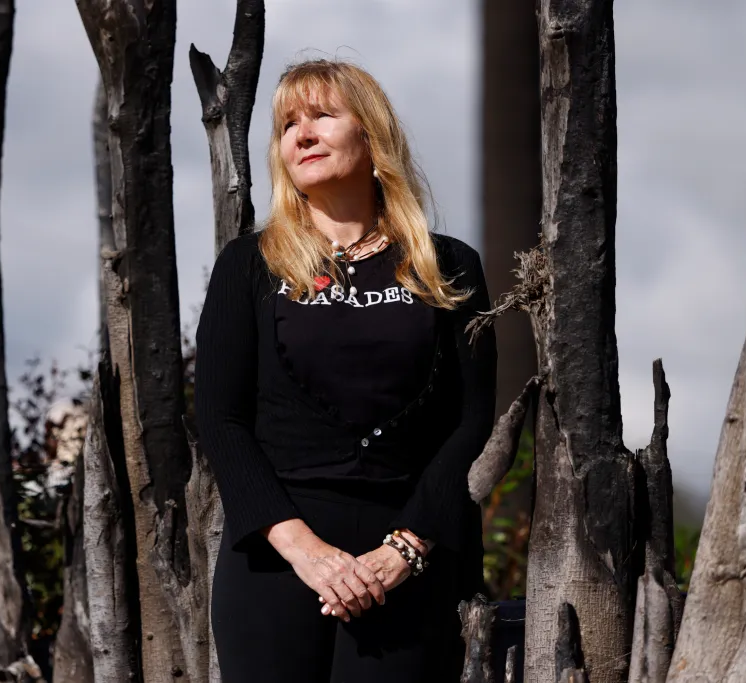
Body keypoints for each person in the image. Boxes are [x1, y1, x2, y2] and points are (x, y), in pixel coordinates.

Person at [194, 58, 497, 683]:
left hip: (409, 559)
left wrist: (404, 550)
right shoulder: (248, 266)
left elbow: (471, 422)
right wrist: (309, 554)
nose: (300, 135)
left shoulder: (449, 265)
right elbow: (221, 421)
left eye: (322, 116)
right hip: (276, 559)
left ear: (372, 134)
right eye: (287, 125)